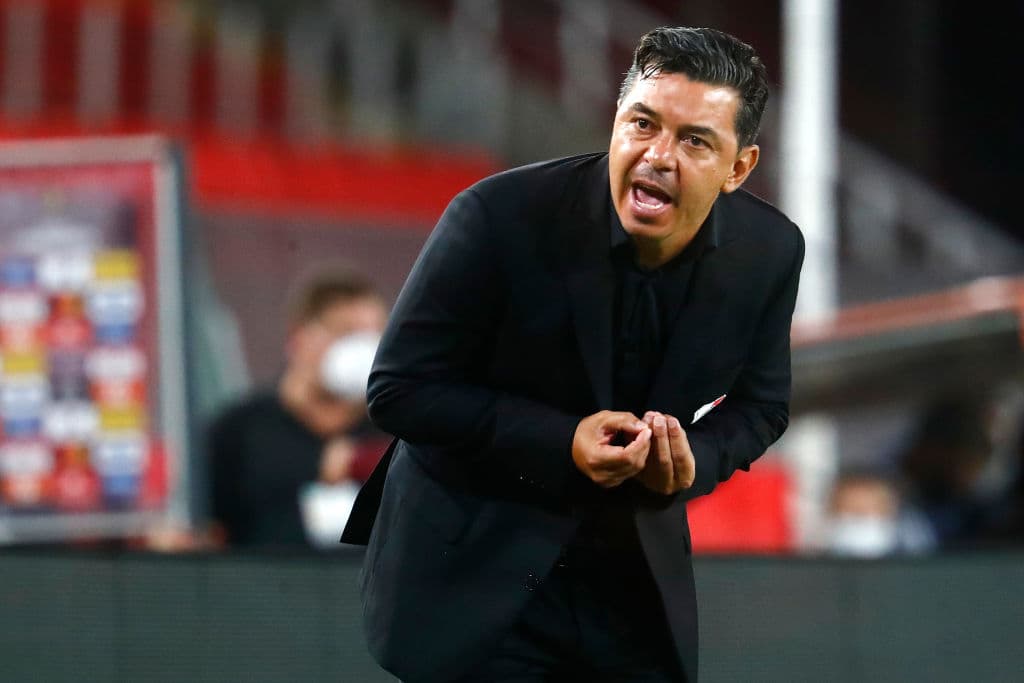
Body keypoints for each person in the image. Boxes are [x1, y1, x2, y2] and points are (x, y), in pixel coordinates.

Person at [343, 27, 804, 681]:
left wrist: (693, 461)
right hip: (476, 574)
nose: (657, 156)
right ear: (615, 121)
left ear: (739, 167)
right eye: (642, 123)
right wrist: (562, 441)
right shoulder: (497, 216)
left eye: (694, 140)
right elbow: (399, 388)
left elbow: (763, 404)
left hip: (630, 584)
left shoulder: (770, 252)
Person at [208, 268, 389, 550]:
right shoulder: (239, 432)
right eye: (347, 332)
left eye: (374, 335)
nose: (363, 349)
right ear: (299, 337)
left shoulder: (395, 434)